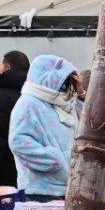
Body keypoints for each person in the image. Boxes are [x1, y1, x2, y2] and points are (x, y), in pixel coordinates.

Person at [7, 53, 80, 199]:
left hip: (66, 188)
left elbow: (86, 125)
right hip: (41, 190)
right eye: (64, 80)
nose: (66, 85)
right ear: (48, 78)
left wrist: (81, 94)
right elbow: (18, 142)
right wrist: (54, 160)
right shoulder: (28, 103)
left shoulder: (61, 102)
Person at [0, 51, 30, 187]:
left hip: (4, 175)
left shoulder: (2, 96)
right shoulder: (36, 97)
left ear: (7, 67)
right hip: (29, 174)